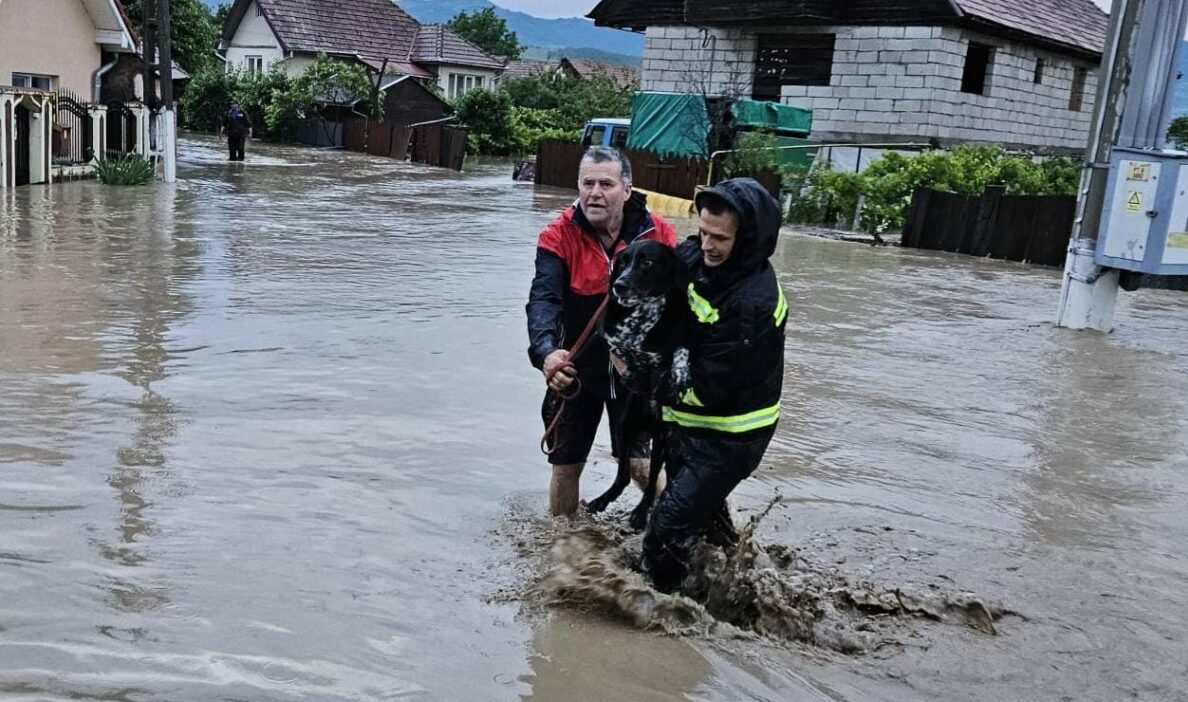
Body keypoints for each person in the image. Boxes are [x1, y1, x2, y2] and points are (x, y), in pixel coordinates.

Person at [638, 177, 787, 593]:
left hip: (729, 438)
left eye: (719, 238)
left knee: (664, 530)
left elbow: (707, 388)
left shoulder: (751, 306)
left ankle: (660, 617)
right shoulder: (698, 256)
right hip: (691, 423)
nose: (706, 245)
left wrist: (639, 374)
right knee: (706, 527)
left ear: (750, 240)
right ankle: (736, 582)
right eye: (702, 231)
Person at [526, 146, 678, 517]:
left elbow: (680, 305)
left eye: (605, 184)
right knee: (566, 465)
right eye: (587, 183)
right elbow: (543, 301)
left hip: (635, 372)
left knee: (641, 466)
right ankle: (564, 551)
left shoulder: (659, 233)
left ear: (627, 189)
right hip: (577, 370)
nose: (594, 192)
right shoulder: (557, 236)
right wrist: (546, 354)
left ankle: (674, 528)